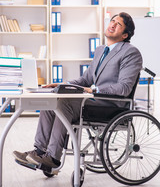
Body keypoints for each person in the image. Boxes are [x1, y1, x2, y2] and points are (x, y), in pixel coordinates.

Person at [13, 12, 143, 170]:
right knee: (52, 99)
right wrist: (61, 85)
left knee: (63, 104)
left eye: (119, 24)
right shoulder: (101, 50)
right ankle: (39, 151)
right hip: (93, 100)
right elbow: (85, 80)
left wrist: (94, 89)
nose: (113, 24)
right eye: (112, 21)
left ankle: (52, 158)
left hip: (111, 105)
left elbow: (124, 88)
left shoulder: (130, 52)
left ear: (125, 35)